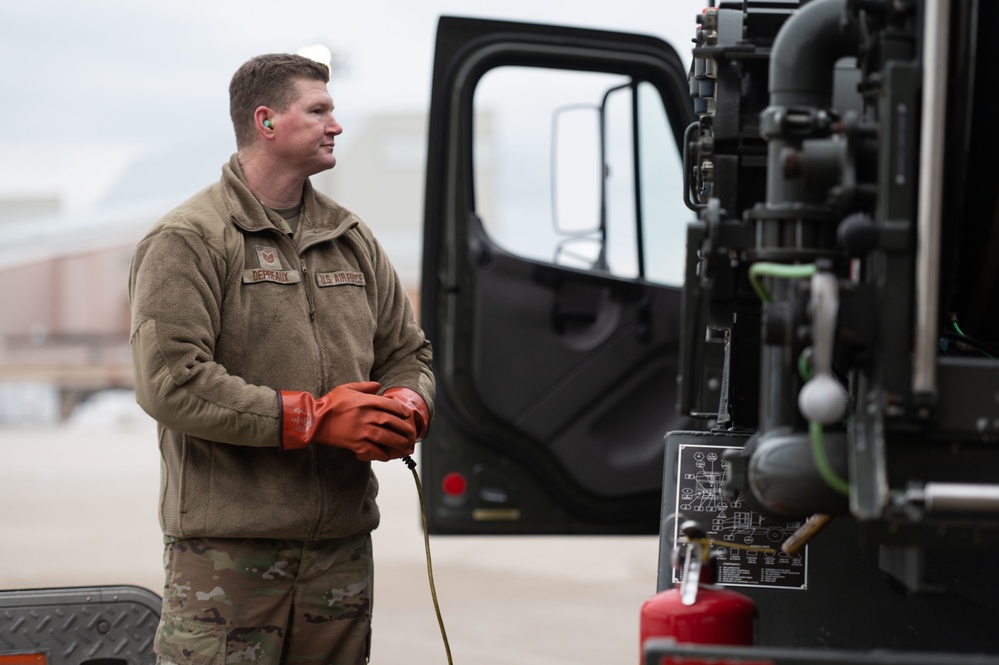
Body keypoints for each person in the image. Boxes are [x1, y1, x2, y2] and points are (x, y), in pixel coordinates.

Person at [128, 53, 435, 665]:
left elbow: (407, 351)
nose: (336, 125)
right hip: (229, 556)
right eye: (319, 110)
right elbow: (172, 382)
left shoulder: (351, 238)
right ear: (266, 121)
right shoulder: (189, 239)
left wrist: (407, 402)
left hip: (340, 551)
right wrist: (313, 418)